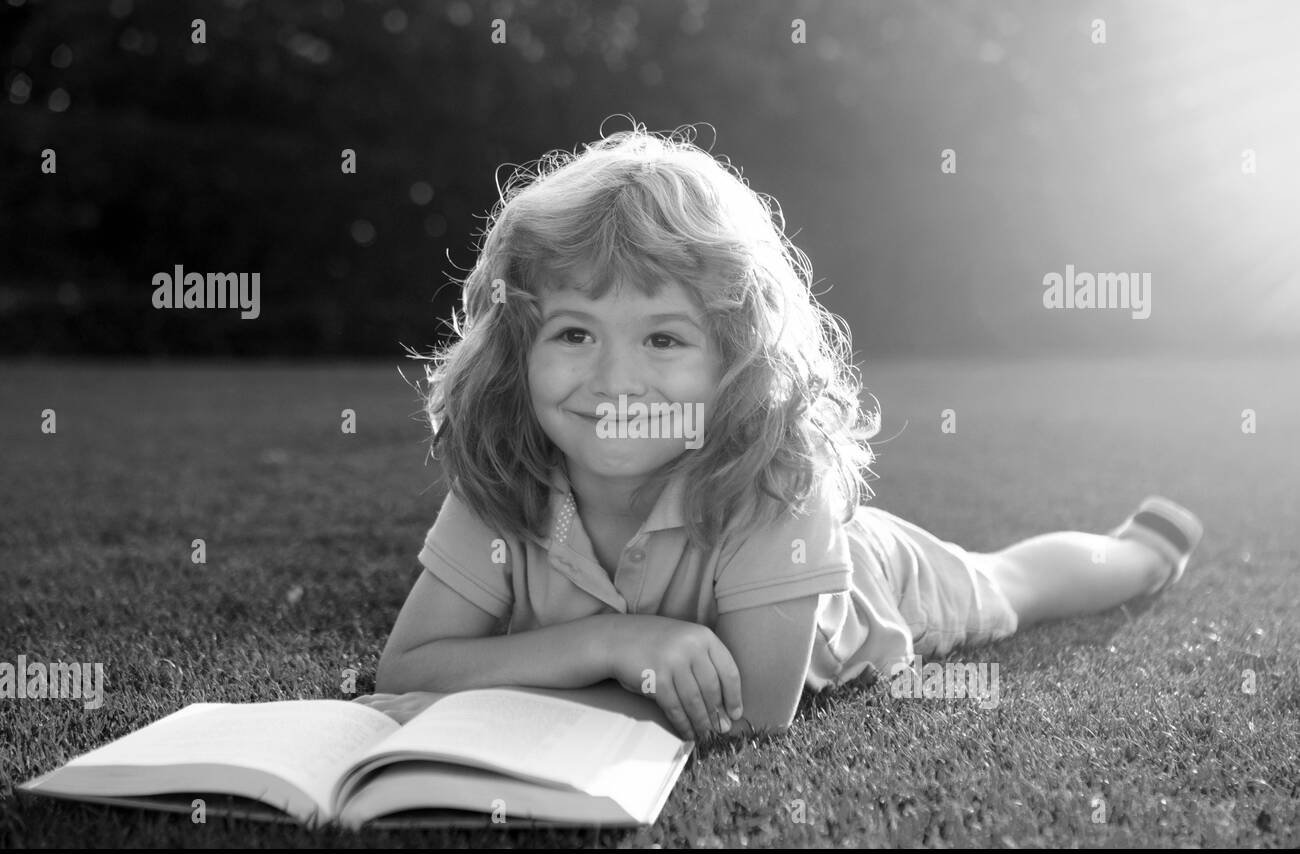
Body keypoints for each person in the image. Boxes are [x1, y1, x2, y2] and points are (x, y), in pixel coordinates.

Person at [358, 123, 1203, 742]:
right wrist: (617, 641)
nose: (615, 382)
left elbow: (753, 711)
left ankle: (1142, 552)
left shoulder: (772, 491)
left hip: (868, 582)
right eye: (574, 333)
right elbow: (408, 669)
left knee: (1004, 586)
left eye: (664, 339)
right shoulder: (509, 480)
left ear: (735, 361)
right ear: (518, 349)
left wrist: (537, 671)